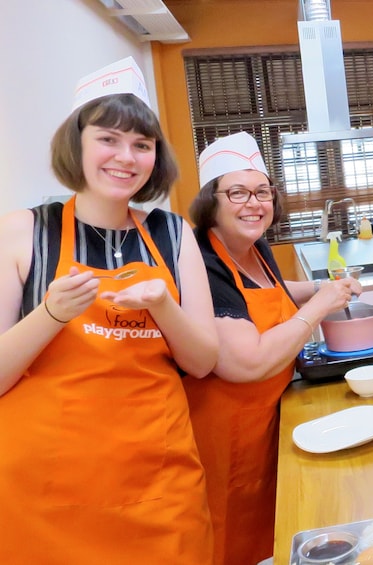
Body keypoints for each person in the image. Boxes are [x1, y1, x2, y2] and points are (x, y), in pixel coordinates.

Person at [0, 57, 219, 561]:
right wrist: (50, 314)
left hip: (160, 485)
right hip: (46, 498)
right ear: (75, 144)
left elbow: (203, 361)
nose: (126, 157)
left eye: (142, 145)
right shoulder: (24, 233)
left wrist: (164, 305)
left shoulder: (172, 233)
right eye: (108, 139)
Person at [184, 132, 361, 565]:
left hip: (274, 420)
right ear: (212, 200)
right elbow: (248, 361)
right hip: (229, 434)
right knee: (234, 542)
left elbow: (272, 291)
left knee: (278, 535)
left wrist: (320, 286)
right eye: (238, 192)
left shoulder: (253, 245)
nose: (253, 203)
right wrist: (320, 306)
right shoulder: (203, 260)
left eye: (262, 191)